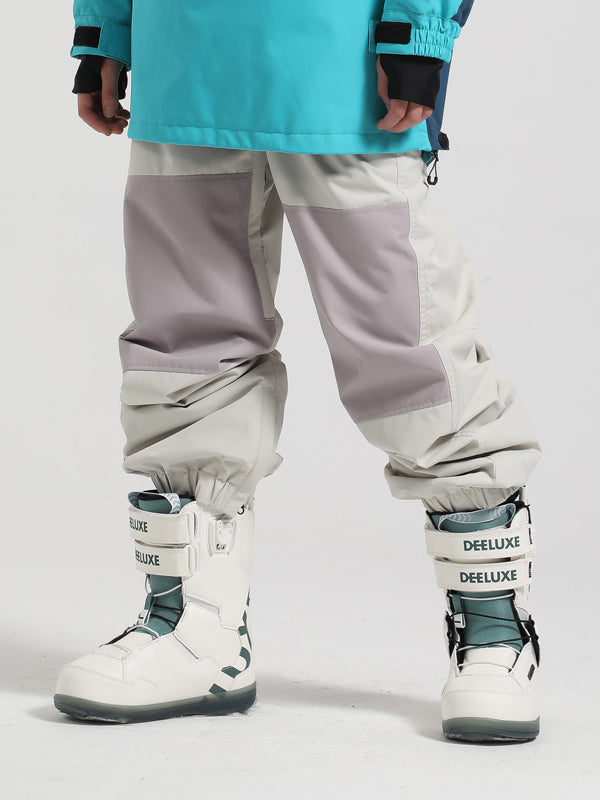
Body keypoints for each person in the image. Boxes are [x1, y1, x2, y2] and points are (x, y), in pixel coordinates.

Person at [55, 1, 542, 742]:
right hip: (181, 54)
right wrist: (107, 27)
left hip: (344, 63)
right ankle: (195, 630)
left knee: (408, 349)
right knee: (186, 344)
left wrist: (419, 31)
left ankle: (495, 630)